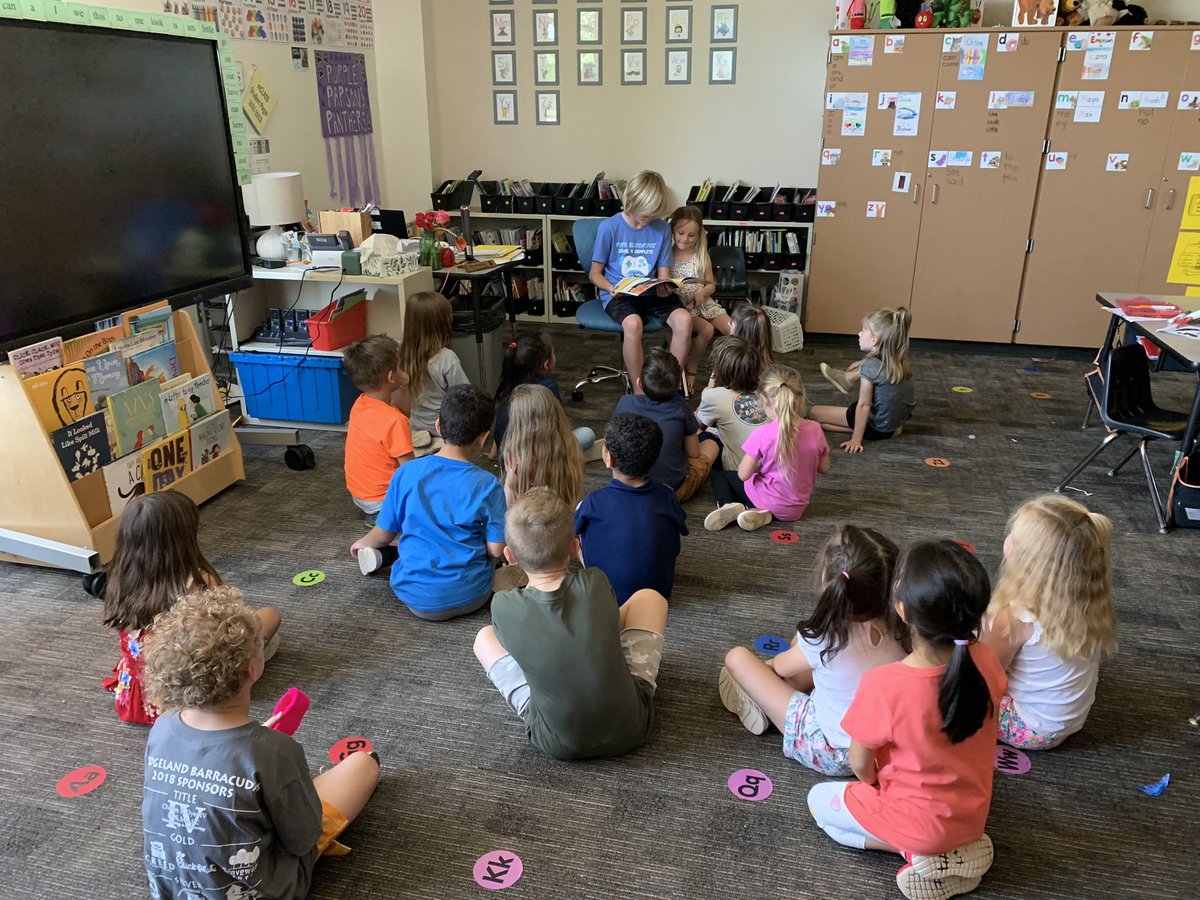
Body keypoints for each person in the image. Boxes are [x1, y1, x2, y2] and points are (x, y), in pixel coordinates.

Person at [141, 586, 380, 900]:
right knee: (365, 764)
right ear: (252, 668)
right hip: (261, 891)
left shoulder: (162, 728)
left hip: (173, 890)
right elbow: (302, 838)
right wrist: (275, 762)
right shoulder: (274, 750)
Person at [807, 541, 1007, 900]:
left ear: (901, 609)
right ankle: (953, 851)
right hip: (972, 816)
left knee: (818, 802)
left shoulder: (885, 686)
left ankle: (916, 854)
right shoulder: (988, 661)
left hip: (915, 824)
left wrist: (874, 788)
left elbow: (860, 765)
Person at [473, 488, 669, 760]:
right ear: (575, 547)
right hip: (634, 727)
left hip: (555, 742)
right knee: (649, 598)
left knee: (484, 638)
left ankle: (542, 703)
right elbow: (613, 620)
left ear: (510, 556)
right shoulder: (595, 582)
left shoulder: (503, 605)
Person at [718, 526, 907, 775]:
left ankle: (760, 703)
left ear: (826, 581)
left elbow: (781, 666)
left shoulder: (826, 636)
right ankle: (772, 697)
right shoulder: (904, 623)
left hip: (830, 750)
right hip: (881, 750)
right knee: (815, 661)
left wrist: (773, 664)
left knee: (738, 658)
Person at [101, 492, 281, 725]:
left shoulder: (120, 578)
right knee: (270, 616)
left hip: (137, 698)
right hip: (192, 695)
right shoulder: (199, 582)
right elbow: (234, 623)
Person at [350, 384, 507, 621]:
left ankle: (385, 556)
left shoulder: (406, 473)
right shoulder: (488, 484)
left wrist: (362, 543)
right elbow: (496, 549)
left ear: (437, 426)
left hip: (413, 597)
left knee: (409, 539)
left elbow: (383, 531)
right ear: (483, 438)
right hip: (472, 595)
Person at [981, 495, 1117, 750]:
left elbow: (984, 676)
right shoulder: (1087, 598)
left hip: (1030, 728)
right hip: (1067, 721)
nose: (1008, 540)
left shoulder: (1016, 616)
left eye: (1015, 537)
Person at [590, 170, 703, 388]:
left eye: (654, 214)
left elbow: (663, 273)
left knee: (684, 320)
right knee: (633, 324)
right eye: (645, 214)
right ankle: (640, 390)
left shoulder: (660, 228)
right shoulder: (609, 227)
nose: (648, 220)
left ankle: (669, 387)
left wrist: (664, 286)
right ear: (631, 201)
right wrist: (611, 288)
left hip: (650, 291)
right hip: (619, 292)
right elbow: (595, 274)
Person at [576, 413, 688, 606]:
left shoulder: (593, 502)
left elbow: (571, 531)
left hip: (607, 595)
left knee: (577, 525)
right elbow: (682, 529)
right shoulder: (667, 495)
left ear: (609, 458)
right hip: (659, 593)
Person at [705, 365, 829, 532]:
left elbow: (743, 474)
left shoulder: (763, 434)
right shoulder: (815, 429)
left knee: (721, 477)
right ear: (800, 398)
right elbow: (824, 467)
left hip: (765, 498)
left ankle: (730, 505)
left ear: (765, 400)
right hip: (796, 508)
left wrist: (760, 465)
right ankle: (760, 514)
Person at [614, 347, 716, 502]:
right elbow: (694, 454)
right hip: (672, 492)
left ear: (639, 383)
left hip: (628, 487)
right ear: (677, 386)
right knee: (711, 444)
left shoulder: (625, 402)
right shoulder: (681, 408)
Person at [811, 307, 915, 453]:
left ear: (874, 339)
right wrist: (861, 364)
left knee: (813, 413)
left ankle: (858, 431)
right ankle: (868, 430)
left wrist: (856, 439)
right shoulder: (898, 358)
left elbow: (864, 405)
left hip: (875, 427)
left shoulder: (870, 366)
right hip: (892, 425)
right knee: (818, 422)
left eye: (863, 330)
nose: (859, 333)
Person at [342, 334, 415, 520]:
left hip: (359, 495)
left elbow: (402, 412)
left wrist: (403, 385)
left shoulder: (361, 403)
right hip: (382, 500)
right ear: (391, 377)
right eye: (400, 367)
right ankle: (385, 525)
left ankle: (379, 517)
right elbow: (410, 471)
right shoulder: (394, 421)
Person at [490, 332, 596, 461]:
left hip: (508, 457)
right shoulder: (548, 387)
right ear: (546, 364)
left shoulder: (508, 384)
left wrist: (492, 455)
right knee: (587, 434)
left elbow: (502, 425)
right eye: (554, 353)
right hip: (536, 458)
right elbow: (559, 428)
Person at [396, 291, 470, 437]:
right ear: (442, 324)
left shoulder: (400, 352)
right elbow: (465, 396)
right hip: (443, 429)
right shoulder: (447, 358)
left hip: (413, 427)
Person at [670, 205, 728, 390]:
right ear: (673, 230)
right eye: (681, 233)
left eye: (691, 235)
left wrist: (703, 292)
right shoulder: (667, 254)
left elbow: (711, 284)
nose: (685, 239)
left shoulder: (701, 255)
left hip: (704, 303)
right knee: (707, 330)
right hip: (682, 307)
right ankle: (692, 366)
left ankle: (728, 375)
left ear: (699, 234)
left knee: (736, 330)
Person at [502, 383, 585, 507]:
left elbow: (508, 501)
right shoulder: (570, 445)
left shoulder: (515, 457)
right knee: (586, 434)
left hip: (526, 520)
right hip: (564, 517)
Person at [695, 336, 768, 471]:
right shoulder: (766, 391)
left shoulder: (714, 396)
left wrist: (709, 388)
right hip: (769, 468)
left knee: (699, 432)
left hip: (737, 470)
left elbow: (695, 426)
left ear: (719, 369)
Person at [730, 303, 774, 367]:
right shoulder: (769, 369)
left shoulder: (731, 362)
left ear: (740, 333)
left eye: (731, 324)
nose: (729, 325)